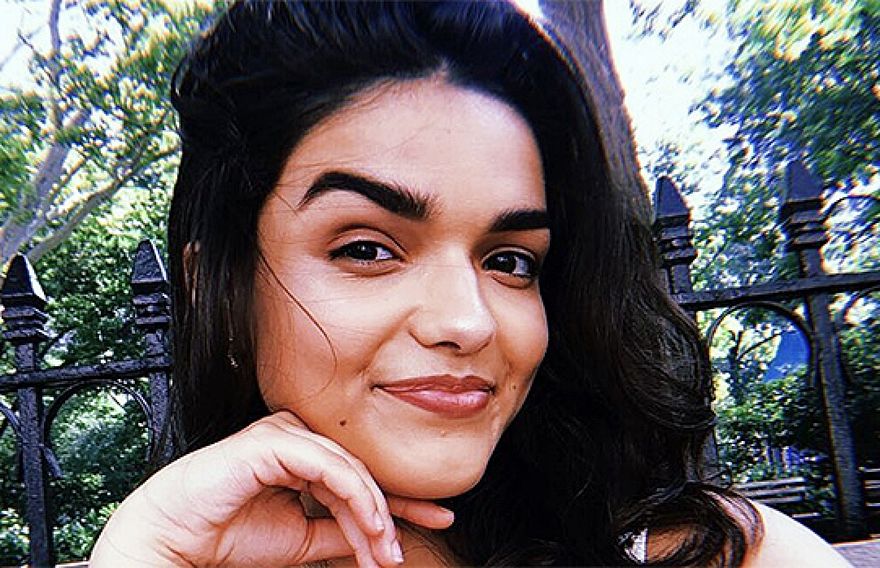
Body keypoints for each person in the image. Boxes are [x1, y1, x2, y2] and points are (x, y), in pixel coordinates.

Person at [91, 1, 849, 566]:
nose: (469, 321)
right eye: (367, 249)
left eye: (510, 261)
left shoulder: (720, 554)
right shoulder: (168, 553)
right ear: (213, 289)